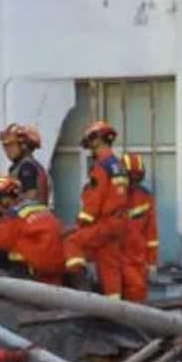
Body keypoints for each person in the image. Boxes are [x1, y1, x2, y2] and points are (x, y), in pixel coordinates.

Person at [68, 121, 128, 298]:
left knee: (72, 242)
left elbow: (95, 200)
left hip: (105, 222)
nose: (90, 150)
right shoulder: (118, 166)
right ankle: (114, 308)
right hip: (118, 223)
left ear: (96, 141)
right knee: (110, 267)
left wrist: (81, 222)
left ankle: (82, 290)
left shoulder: (101, 167)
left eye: (90, 144)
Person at [0, 175, 79, 286]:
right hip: (58, 266)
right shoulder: (39, 207)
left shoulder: (13, 215)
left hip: (32, 270)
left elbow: (2, 242)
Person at [120, 154, 158, 303]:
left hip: (136, 260)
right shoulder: (109, 195)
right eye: (131, 177)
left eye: (137, 178)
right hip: (113, 257)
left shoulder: (145, 197)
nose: (134, 182)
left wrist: (152, 262)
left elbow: (151, 234)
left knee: (137, 293)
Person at [0, 124, 49, 204]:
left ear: (23, 145)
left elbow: (31, 196)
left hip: (30, 215)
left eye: (11, 145)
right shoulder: (29, 165)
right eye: (5, 146)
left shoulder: (27, 166)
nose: (7, 150)